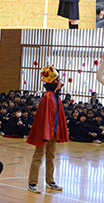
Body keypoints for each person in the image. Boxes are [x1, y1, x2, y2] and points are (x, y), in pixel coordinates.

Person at [26, 65, 69, 193]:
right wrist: (45, 131)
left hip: (53, 131)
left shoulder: (56, 96)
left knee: (51, 155)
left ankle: (50, 181)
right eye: (58, 80)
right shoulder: (47, 96)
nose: (60, 82)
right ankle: (32, 182)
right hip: (44, 131)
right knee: (38, 155)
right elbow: (43, 117)